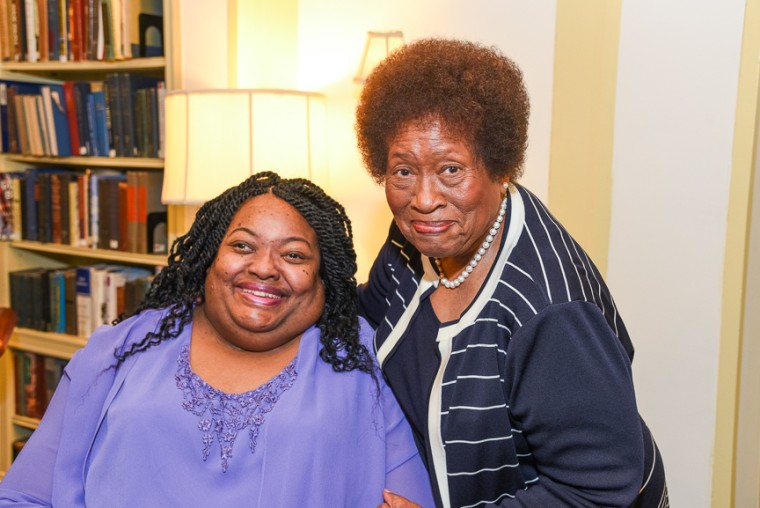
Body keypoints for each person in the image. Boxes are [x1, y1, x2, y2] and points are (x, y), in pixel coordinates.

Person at [355, 38, 668, 508]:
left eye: (451, 169)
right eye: (402, 171)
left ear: (500, 168)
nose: (423, 198)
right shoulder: (422, 238)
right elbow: (362, 314)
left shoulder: (552, 311)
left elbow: (594, 490)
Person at [0, 171, 435, 507]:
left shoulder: (362, 362)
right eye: (243, 247)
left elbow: (409, 499)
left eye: (294, 255)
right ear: (209, 259)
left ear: (325, 280)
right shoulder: (120, 349)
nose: (264, 267)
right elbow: (24, 495)